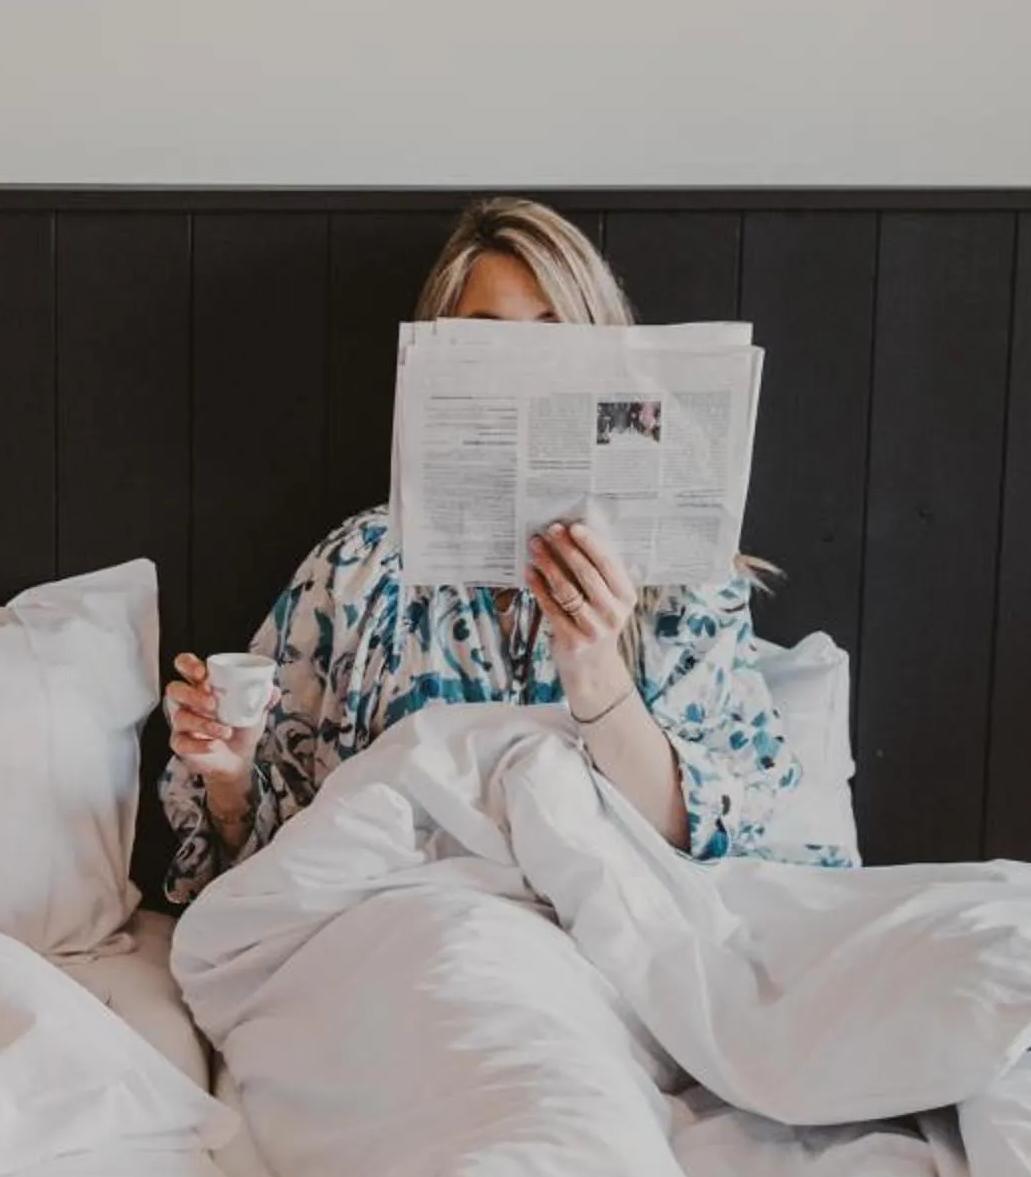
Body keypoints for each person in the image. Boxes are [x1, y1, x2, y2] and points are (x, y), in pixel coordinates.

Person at [159, 196, 844, 905]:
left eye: (554, 339)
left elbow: (726, 842)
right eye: (485, 343)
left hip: (603, 933)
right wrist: (230, 777)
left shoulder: (683, 583)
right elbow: (268, 874)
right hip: (398, 931)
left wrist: (596, 668)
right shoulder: (359, 568)